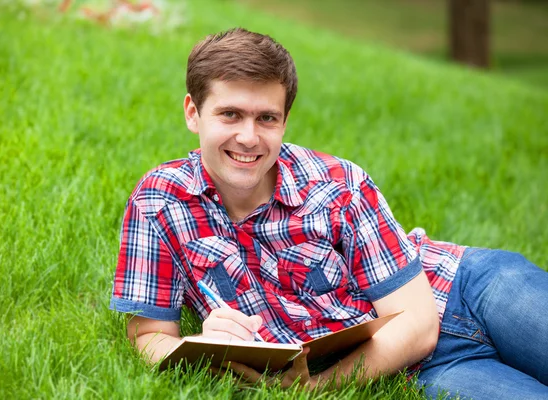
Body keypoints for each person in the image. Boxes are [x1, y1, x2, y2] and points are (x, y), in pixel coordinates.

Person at [109, 28, 548, 399]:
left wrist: (317, 385)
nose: (248, 137)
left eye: (267, 118)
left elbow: (417, 321)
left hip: (470, 288)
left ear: (284, 121)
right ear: (193, 113)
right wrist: (201, 345)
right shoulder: (159, 203)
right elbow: (148, 335)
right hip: (416, 367)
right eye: (230, 114)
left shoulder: (337, 182)